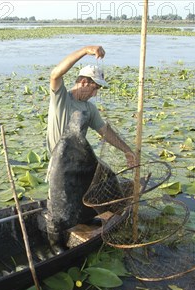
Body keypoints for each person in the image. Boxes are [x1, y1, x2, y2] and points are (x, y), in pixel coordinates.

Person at [45, 45, 136, 253]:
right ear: (84, 82)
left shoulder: (89, 108)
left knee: (92, 192)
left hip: (79, 162)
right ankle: (55, 247)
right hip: (60, 165)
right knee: (58, 209)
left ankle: (84, 226)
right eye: (94, 88)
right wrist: (85, 51)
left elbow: (105, 131)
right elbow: (55, 74)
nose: (95, 93)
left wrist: (127, 150)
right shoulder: (62, 99)